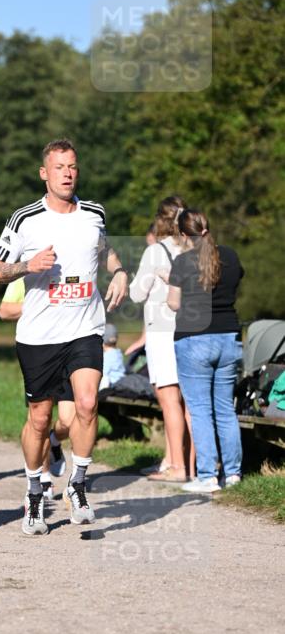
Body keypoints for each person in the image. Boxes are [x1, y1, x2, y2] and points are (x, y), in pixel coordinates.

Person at [0, 137, 128, 535]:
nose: (67, 173)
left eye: (73, 167)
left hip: (85, 328)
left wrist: (119, 271)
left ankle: (78, 485)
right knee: (41, 417)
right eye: (60, 167)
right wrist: (27, 265)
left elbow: (106, 252)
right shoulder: (24, 219)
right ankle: (34, 490)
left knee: (86, 403)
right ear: (44, 174)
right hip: (39, 335)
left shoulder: (94, 213)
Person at [167, 209, 244, 493]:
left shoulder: (182, 261)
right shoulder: (231, 256)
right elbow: (232, 284)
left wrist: (174, 284)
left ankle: (208, 476)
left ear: (184, 235)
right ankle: (234, 474)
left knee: (200, 411)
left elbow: (174, 304)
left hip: (194, 340)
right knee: (225, 409)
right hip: (229, 338)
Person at [129, 196, 195, 481]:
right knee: (190, 402)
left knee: (168, 400)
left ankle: (176, 468)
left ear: (160, 221)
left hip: (163, 331)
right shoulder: (196, 247)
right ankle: (187, 464)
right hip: (193, 330)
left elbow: (136, 294)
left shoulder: (156, 251)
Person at [0, 277, 75, 497]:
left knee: (69, 421)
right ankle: (43, 475)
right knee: (40, 419)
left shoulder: (75, 267)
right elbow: (4, 311)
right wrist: (42, 303)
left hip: (71, 350)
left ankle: (53, 441)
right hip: (39, 352)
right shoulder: (27, 274)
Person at [99, 323, 126, 390]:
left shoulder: (107, 355)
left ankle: (100, 395)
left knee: (104, 377)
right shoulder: (118, 352)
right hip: (121, 382)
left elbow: (103, 372)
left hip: (112, 384)